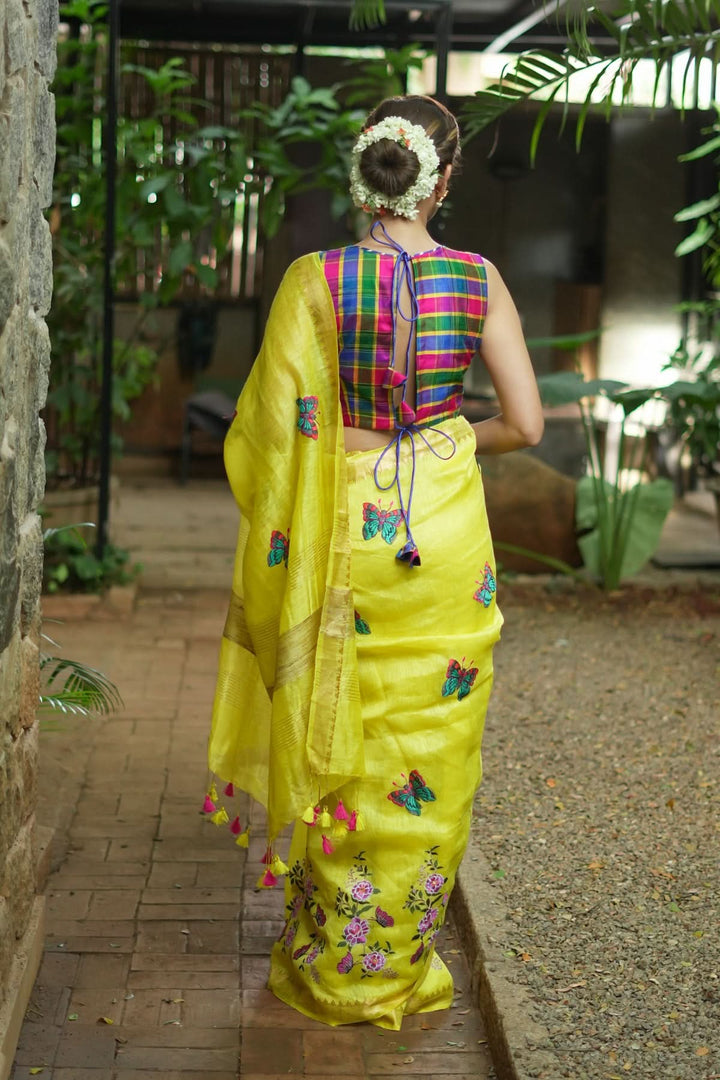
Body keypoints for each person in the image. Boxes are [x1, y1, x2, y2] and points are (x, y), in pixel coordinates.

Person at [206, 94, 544, 1030]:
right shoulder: (478, 279)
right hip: (444, 541)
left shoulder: (314, 281)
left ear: (365, 172)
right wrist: (444, 437)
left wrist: (345, 447)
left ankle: (332, 957)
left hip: (342, 529)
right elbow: (524, 424)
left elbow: (269, 435)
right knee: (431, 747)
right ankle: (393, 962)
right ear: (445, 178)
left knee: (336, 727)